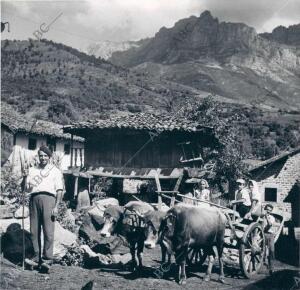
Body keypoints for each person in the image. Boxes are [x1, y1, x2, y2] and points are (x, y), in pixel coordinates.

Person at [24, 145, 64, 271]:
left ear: (49, 157)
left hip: (49, 200)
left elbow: (59, 191)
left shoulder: (55, 171)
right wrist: (25, 177)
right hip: (34, 199)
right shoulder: (32, 170)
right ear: (38, 156)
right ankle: (35, 258)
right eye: (41, 155)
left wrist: (56, 206)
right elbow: (27, 189)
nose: (43, 158)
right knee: (33, 231)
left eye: (45, 155)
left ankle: (47, 260)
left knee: (48, 232)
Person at [263, 203, 276, 275]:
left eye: (270, 210)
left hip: (270, 235)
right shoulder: (261, 216)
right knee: (261, 251)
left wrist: (267, 217)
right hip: (262, 234)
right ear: (265, 209)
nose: (268, 211)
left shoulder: (272, 218)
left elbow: (269, 225)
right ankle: (261, 266)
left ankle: (271, 268)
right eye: (267, 210)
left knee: (271, 251)